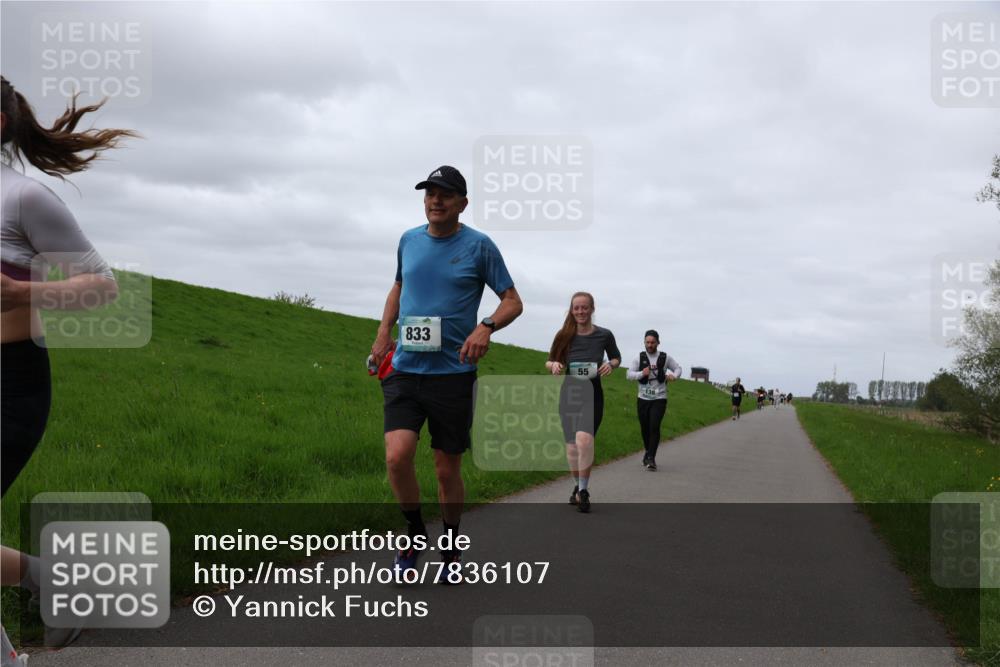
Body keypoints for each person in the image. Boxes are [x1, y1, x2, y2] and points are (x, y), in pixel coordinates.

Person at [1, 76, 131, 654]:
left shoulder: (24, 198)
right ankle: (48, 578)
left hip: (11, 383)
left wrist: (21, 292)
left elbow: (102, 286)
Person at [369, 165, 522, 582]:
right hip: (404, 368)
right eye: (430, 193)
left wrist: (485, 327)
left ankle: (451, 547)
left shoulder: (479, 246)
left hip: (452, 374)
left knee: (445, 469)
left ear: (462, 203)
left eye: (445, 194)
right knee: (397, 456)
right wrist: (383, 333)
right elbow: (398, 287)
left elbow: (512, 300)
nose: (435, 200)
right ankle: (415, 533)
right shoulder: (408, 240)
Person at [545, 292, 621, 512]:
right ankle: (576, 487)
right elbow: (550, 361)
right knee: (571, 449)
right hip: (570, 394)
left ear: (592, 309)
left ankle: (584, 491)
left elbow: (616, 356)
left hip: (593, 393)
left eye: (584, 307)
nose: (580, 311)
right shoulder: (564, 335)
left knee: (584, 441)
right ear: (571, 310)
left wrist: (611, 364)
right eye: (576, 308)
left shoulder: (604, 335)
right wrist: (555, 367)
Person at [625, 330, 680, 470]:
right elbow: (628, 375)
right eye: (647, 342)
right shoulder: (639, 357)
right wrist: (641, 373)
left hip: (659, 398)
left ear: (658, 343)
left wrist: (675, 375)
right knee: (645, 428)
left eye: (652, 342)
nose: (649, 345)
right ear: (644, 342)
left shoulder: (665, 357)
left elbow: (678, 368)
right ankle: (648, 452)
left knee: (654, 426)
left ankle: (651, 458)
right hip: (643, 398)